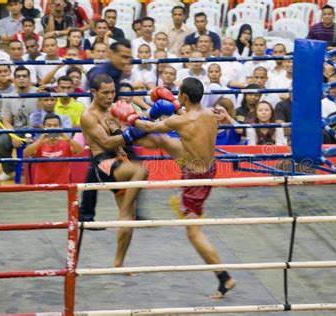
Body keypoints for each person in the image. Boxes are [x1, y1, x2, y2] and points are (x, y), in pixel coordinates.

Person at [126, 78, 236, 299]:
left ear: (184, 96)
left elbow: (148, 126)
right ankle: (123, 141)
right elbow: (229, 122)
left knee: (193, 233)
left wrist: (130, 116)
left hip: (196, 177)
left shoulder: (181, 120)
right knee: (163, 141)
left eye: (179, 95)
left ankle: (224, 278)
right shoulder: (212, 113)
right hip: (206, 166)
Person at [80, 74, 149, 267]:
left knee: (129, 220)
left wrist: (146, 120)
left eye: (112, 92)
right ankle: (124, 211)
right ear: (93, 92)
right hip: (104, 164)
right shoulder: (88, 116)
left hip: (120, 160)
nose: (110, 96)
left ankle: (118, 263)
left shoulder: (114, 111)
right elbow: (106, 142)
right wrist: (130, 132)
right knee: (141, 171)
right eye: (105, 92)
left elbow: (124, 137)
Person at [0, 66, 37, 180]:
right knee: (0, 142)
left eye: (24, 76)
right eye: (18, 76)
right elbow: (6, 121)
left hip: (36, 130)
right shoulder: (9, 97)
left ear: (29, 78)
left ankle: (39, 170)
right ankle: (10, 171)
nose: (21, 79)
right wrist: (13, 135)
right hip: (17, 131)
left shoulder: (38, 93)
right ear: (14, 79)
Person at [24, 113, 83, 184]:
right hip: (42, 185)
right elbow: (26, 153)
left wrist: (67, 139)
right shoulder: (39, 142)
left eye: (55, 125)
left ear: (60, 126)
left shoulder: (66, 142)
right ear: (44, 127)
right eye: (49, 125)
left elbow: (80, 150)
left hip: (62, 185)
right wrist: (40, 141)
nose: (52, 128)